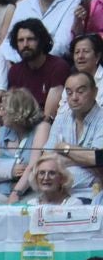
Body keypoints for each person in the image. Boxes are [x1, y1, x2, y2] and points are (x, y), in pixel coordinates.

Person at [46, 71, 103, 202]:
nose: (74, 97)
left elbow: (99, 159)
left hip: (93, 194)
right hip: (58, 194)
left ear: (95, 92)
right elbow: (47, 158)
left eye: (80, 91)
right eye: (69, 93)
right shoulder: (61, 118)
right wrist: (84, 159)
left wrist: (64, 149)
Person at [6, 18, 70, 123]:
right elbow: (12, 109)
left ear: (41, 41)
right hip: (20, 126)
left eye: (30, 39)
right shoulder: (15, 71)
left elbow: (48, 116)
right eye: (21, 40)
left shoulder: (58, 67)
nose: (25, 44)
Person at [0, 88, 49, 201]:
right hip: (1, 192)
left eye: (3, 109)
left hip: (30, 194)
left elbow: (34, 165)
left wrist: (16, 193)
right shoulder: (2, 131)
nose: (0, 113)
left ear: (17, 110)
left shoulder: (42, 128)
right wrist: (10, 170)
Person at [0, 0, 76, 64]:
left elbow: (62, 44)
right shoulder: (24, 4)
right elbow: (7, 44)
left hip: (52, 64)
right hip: (19, 64)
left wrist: (33, 60)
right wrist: (19, 63)